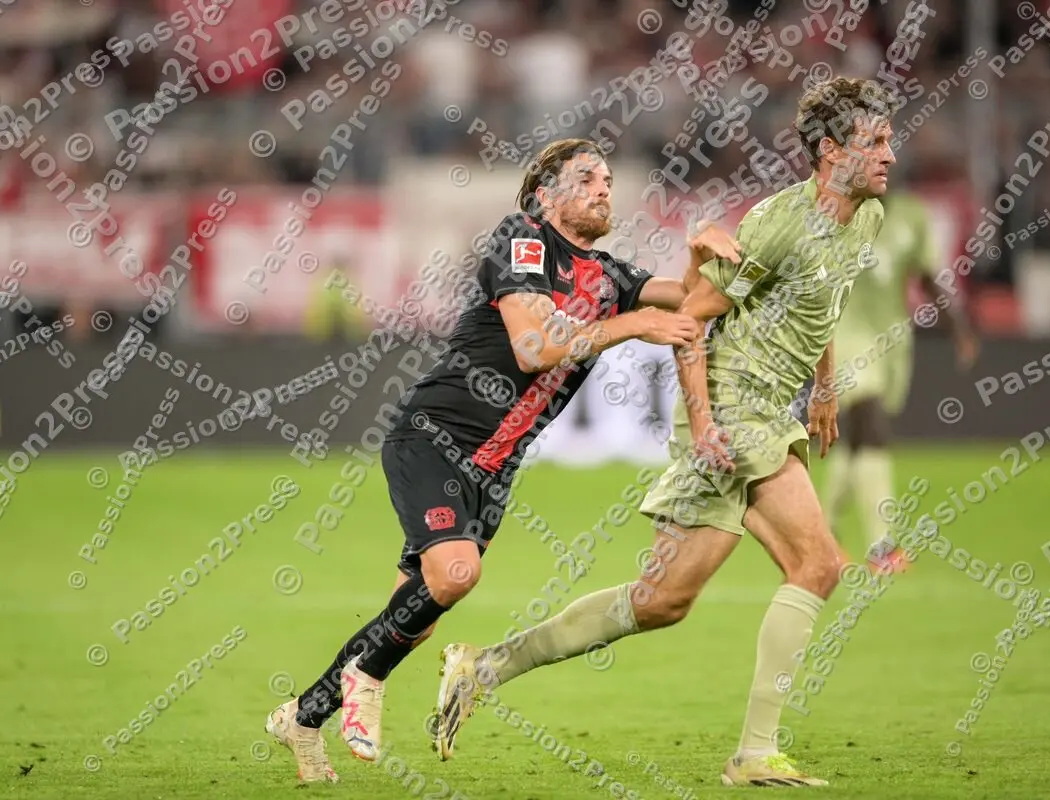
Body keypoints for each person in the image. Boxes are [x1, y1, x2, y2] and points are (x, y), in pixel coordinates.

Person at [433, 77, 899, 788]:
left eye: (889, 140)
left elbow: (826, 297)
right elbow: (694, 317)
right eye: (875, 143)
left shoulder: (863, 217)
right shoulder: (777, 224)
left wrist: (825, 388)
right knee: (821, 564)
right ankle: (754, 754)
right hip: (736, 403)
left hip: (771, 406)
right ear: (831, 153)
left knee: (661, 602)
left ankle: (485, 665)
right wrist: (705, 418)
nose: (890, 154)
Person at [265, 138, 721, 783]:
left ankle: (303, 718)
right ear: (545, 194)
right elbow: (534, 347)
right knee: (455, 574)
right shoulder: (525, 239)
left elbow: (693, 303)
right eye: (586, 177)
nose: (602, 188)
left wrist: (703, 253)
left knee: (413, 617)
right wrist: (631, 326)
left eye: (609, 179)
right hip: (436, 436)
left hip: (496, 469)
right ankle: (363, 679)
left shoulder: (615, 277)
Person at [819, 187, 978, 573]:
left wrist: (957, 328)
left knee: (857, 440)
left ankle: (822, 534)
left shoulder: (912, 215)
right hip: (846, 337)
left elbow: (926, 277)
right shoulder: (833, 215)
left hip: (892, 341)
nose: (882, 163)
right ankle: (881, 545)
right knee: (871, 426)